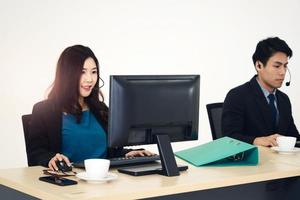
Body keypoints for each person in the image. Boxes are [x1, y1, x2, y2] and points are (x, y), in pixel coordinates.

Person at [28, 45, 153, 171]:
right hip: (69, 181)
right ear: (68, 75)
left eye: (94, 72)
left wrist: (126, 154)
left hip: (104, 180)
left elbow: (108, 152)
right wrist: (50, 158)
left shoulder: (100, 109)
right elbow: (36, 154)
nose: (90, 79)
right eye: (82, 72)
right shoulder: (44, 111)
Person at [222, 37, 299, 147]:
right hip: (251, 162)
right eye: (277, 66)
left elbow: (294, 138)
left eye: (285, 66)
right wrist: (255, 140)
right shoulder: (237, 96)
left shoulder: (283, 99)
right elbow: (228, 138)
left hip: (280, 162)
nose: (283, 72)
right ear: (259, 65)